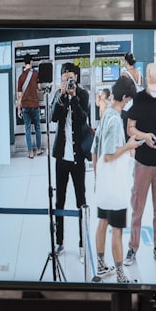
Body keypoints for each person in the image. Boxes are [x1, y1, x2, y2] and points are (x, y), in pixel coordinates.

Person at [91, 75, 142, 284]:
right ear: (126, 97)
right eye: (129, 99)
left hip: (105, 184)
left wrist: (98, 178)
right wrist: (130, 146)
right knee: (117, 231)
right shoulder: (114, 121)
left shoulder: (105, 116)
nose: (130, 103)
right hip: (115, 187)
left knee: (102, 222)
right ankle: (122, 277)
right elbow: (110, 154)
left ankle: (102, 266)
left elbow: (95, 151)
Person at [124, 63, 156, 268]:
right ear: (145, 80)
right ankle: (132, 248)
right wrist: (145, 136)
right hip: (142, 163)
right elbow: (130, 128)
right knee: (137, 209)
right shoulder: (137, 100)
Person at [50, 63, 91, 253]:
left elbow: (83, 119)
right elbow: (54, 118)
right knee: (59, 201)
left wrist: (73, 98)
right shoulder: (58, 96)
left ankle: (82, 244)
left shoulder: (83, 95)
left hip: (77, 159)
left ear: (77, 78)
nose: (68, 82)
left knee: (80, 201)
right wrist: (62, 96)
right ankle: (59, 242)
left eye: (71, 79)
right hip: (61, 158)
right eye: (65, 79)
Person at [16, 54, 44, 157]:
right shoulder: (36, 74)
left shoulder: (20, 77)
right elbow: (40, 87)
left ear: (24, 63)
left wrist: (19, 109)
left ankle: (30, 152)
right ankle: (39, 149)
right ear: (31, 62)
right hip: (35, 105)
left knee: (27, 129)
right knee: (37, 127)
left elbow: (19, 96)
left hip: (25, 106)